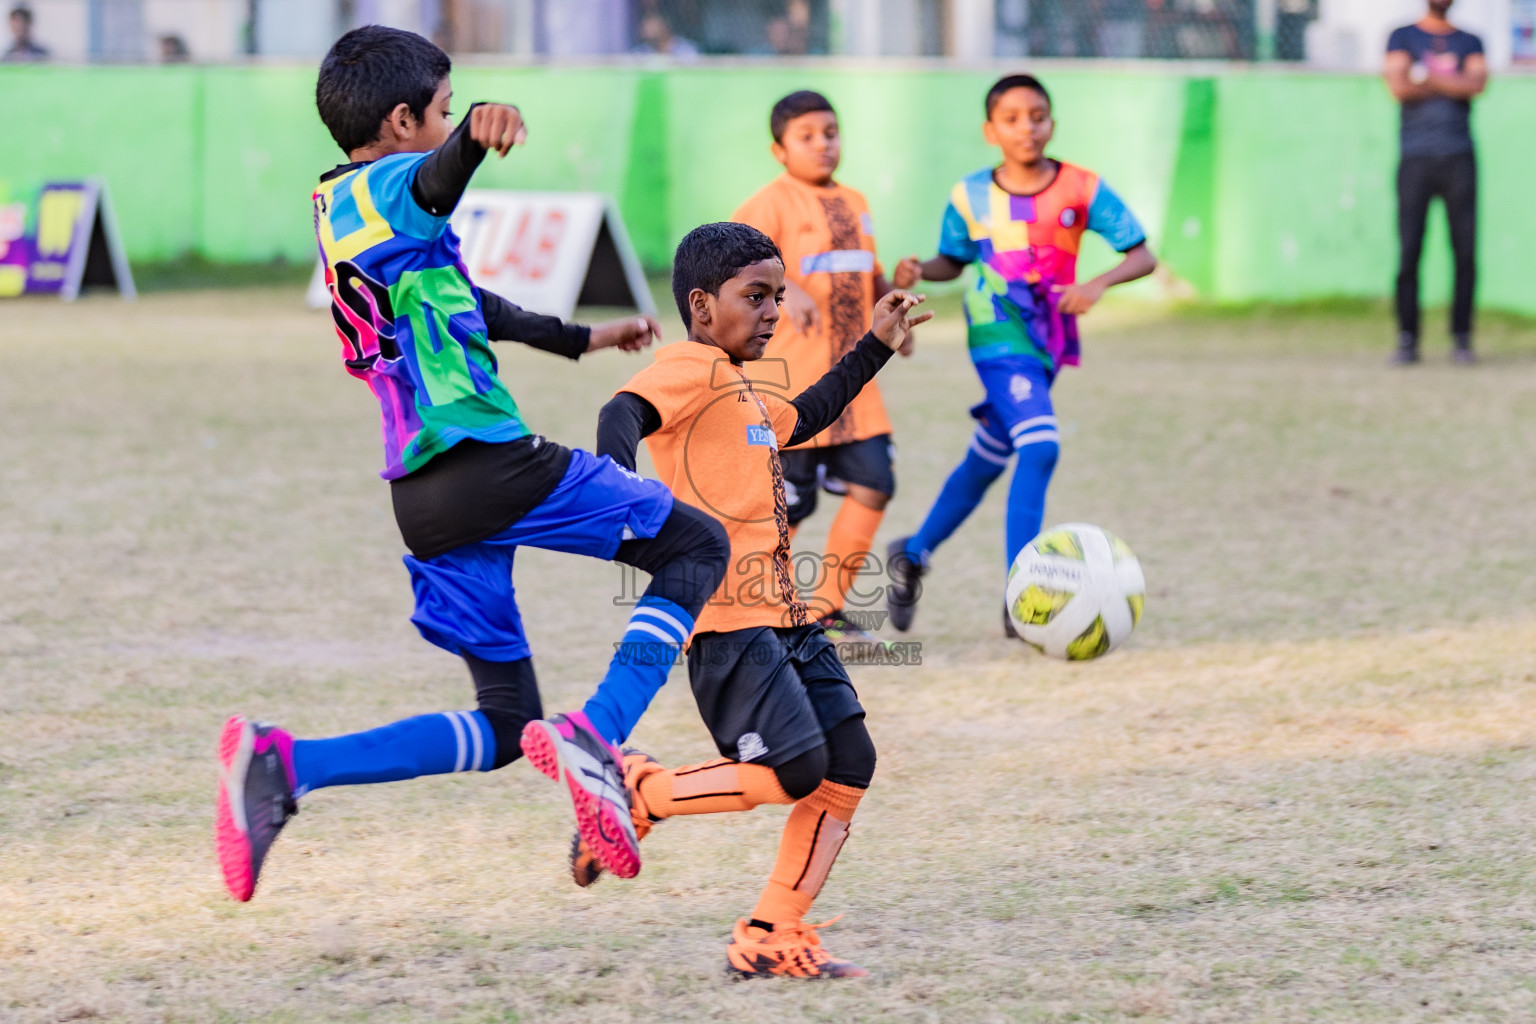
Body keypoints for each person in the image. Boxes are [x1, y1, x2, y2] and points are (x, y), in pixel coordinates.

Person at [213, 26, 730, 903]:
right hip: (490, 462)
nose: (452, 121)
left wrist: (576, 338)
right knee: (695, 548)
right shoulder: (394, 183)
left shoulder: (341, 206)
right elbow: (431, 176)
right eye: (444, 109)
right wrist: (475, 139)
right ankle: (598, 735)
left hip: (424, 497)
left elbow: (465, 299)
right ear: (404, 116)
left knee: (503, 724)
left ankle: (284, 765)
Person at [578, 222, 929, 978]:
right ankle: (641, 789)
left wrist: (873, 344)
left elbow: (807, 413)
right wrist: (622, 493)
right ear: (702, 307)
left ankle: (772, 931)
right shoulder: (688, 366)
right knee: (796, 769)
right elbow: (621, 414)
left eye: (776, 295)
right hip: (725, 618)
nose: (773, 311)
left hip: (787, 616)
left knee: (849, 761)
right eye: (755, 297)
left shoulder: (740, 384)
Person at [886, 73, 1156, 638]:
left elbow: (1142, 255)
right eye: (1012, 118)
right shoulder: (970, 194)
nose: (1026, 127)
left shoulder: (1081, 187)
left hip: (1050, 341)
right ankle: (1021, 590)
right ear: (991, 130)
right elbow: (951, 262)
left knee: (989, 457)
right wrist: (919, 272)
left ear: (1052, 122)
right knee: (1040, 448)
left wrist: (1099, 283)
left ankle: (912, 553)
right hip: (995, 334)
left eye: (1037, 115)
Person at [732, 91, 907, 643]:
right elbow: (732, 264)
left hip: (854, 386)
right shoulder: (767, 204)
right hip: (794, 390)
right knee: (786, 509)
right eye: (806, 136)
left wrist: (893, 304)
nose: (823, 144)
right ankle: (757, 612)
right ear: (778, 149)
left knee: (876, 482)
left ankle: (825, 609)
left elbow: (866, 271)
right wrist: (787, 290)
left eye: (830, 132)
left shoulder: (855, 201)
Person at [1383, 0, 1487, 365]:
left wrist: (1426, 76)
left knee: (1465, 253)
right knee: (1410, 250)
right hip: (1415, 158)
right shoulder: (1402, 35)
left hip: (1459, 157)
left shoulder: (1470, 40)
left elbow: (1476, 83)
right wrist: (1451, 81)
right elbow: (1397, 86)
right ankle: (1407, 339)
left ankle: (1462, 338)